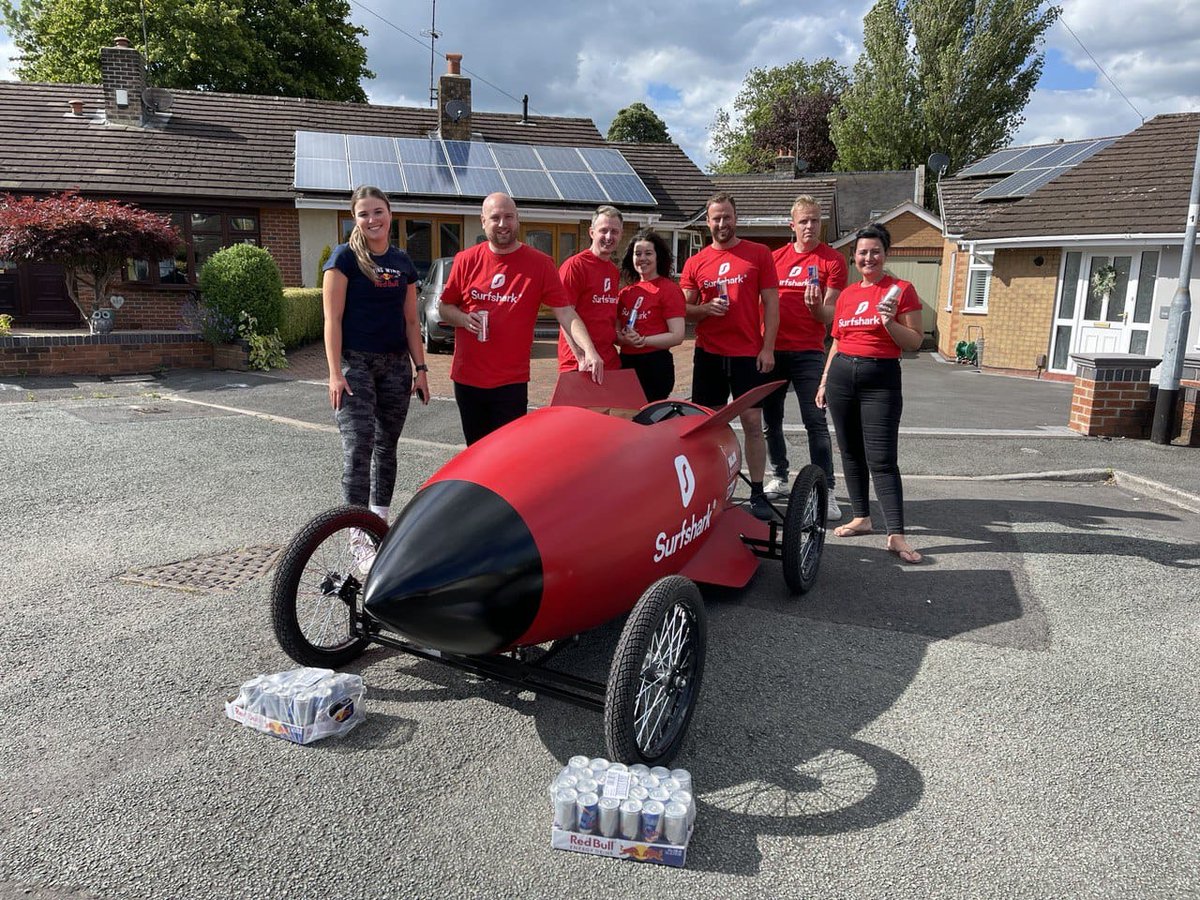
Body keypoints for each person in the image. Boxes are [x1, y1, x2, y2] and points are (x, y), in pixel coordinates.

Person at [439, 192, 604, 444]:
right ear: (483, 221)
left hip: (511, 382)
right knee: (476, 451)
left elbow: (566, 312)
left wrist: (589, 350)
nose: (503, 224)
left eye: (509, 217)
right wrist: (462, 319)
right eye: (495, 218)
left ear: (518, 220)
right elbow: (444, 307)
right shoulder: (466, 260)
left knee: (507, 453)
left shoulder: (540, 264)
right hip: (468, 379)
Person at [322, 185, 429, 566]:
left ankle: (377, 526)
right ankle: (356, 536)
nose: (372, 220)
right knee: (360, 443)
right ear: (355, 218)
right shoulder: (344, 259)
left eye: (378, 212)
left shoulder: (402, 262)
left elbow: (412, 320)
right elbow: (331, 320)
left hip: (396, 365)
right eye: (364, 213)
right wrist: (335, 374)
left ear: (389, 213)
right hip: (356, 363)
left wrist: (421, 369)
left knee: (387, 446)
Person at [816, 222, 924, 564]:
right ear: (855, 257)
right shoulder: (847, 294)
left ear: (885, 254)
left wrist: (889, 322)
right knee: (850, 454)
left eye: (875, 251)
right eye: (862, 252)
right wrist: (823, 381)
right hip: (841, 376)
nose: (868, 257)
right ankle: (862, 517)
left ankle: (896, 534)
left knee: (882, 459)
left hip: (881, 379)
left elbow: (915, 342)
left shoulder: (901, 290)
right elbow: (836, 341)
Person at [680, 192, 779, 520]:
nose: (722, 224)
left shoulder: (758, 254)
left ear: (736, 218)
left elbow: (772, 304)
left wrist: (768, 348)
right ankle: (710, 490)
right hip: (709, 353)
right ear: (707, 222)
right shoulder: (696, 261)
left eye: (727, 217)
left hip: (748, 353)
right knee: (708, 426)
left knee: (752, 422)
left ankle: (757, 491)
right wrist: (705, 309)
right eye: (716, 218)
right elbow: (683, 308)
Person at [762, 195, 847, 520]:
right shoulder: (775, 259)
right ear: (792, 225)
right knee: (772, 420)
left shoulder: (832, 260)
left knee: (816, 422)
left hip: (810, 352)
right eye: (804, 221)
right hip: (773, 349)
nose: (810, 226)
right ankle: (780, 476)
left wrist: (815, 308)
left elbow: (830, 315)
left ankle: (826, 489)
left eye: (815, 220)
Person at [616, 229, 686, 401]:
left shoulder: (669, 290)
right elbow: (615, 331)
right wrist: (623, 339)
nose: (642, 258)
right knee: (626, 417)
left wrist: (643, 340)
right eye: (637, 254)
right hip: (626, 363)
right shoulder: (625, 293)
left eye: (648, 253)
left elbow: (677, 335)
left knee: (650, 418)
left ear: (658, 256)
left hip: (655, 364)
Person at [558, 205, 624, 375]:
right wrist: (581, 356)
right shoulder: (575, 266)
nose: (609, 237)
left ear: (621, 235)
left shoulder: (613, 270)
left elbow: (605, 315)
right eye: (604, 230)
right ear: (592, 232)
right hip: (579, 364)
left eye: (614, 232)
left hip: (608, 361)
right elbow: (564, 316)